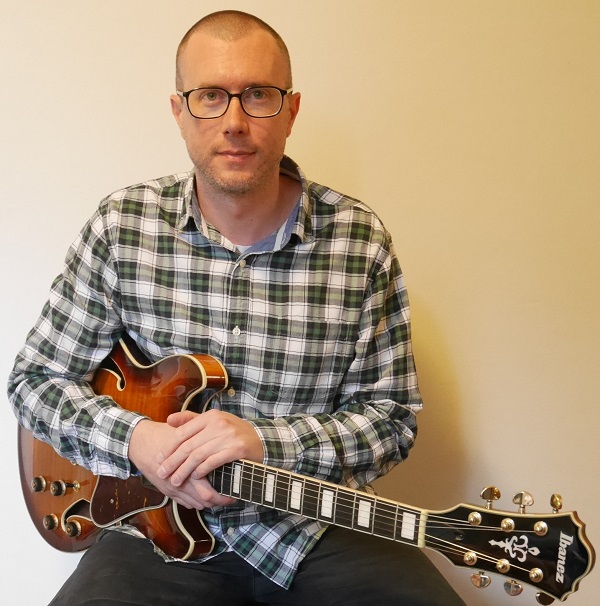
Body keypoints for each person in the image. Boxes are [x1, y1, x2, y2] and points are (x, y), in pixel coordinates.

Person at [8, 10, 465, 606]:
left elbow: (392, 420)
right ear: (179, 111)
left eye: (258, 95)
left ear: (291, 110)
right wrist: (137, 440)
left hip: (310, 530)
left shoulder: (359, 242)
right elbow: (36, 382)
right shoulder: (123, 227)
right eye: (209, 96)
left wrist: (264, 442)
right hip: (152, 532)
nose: (234, 121)